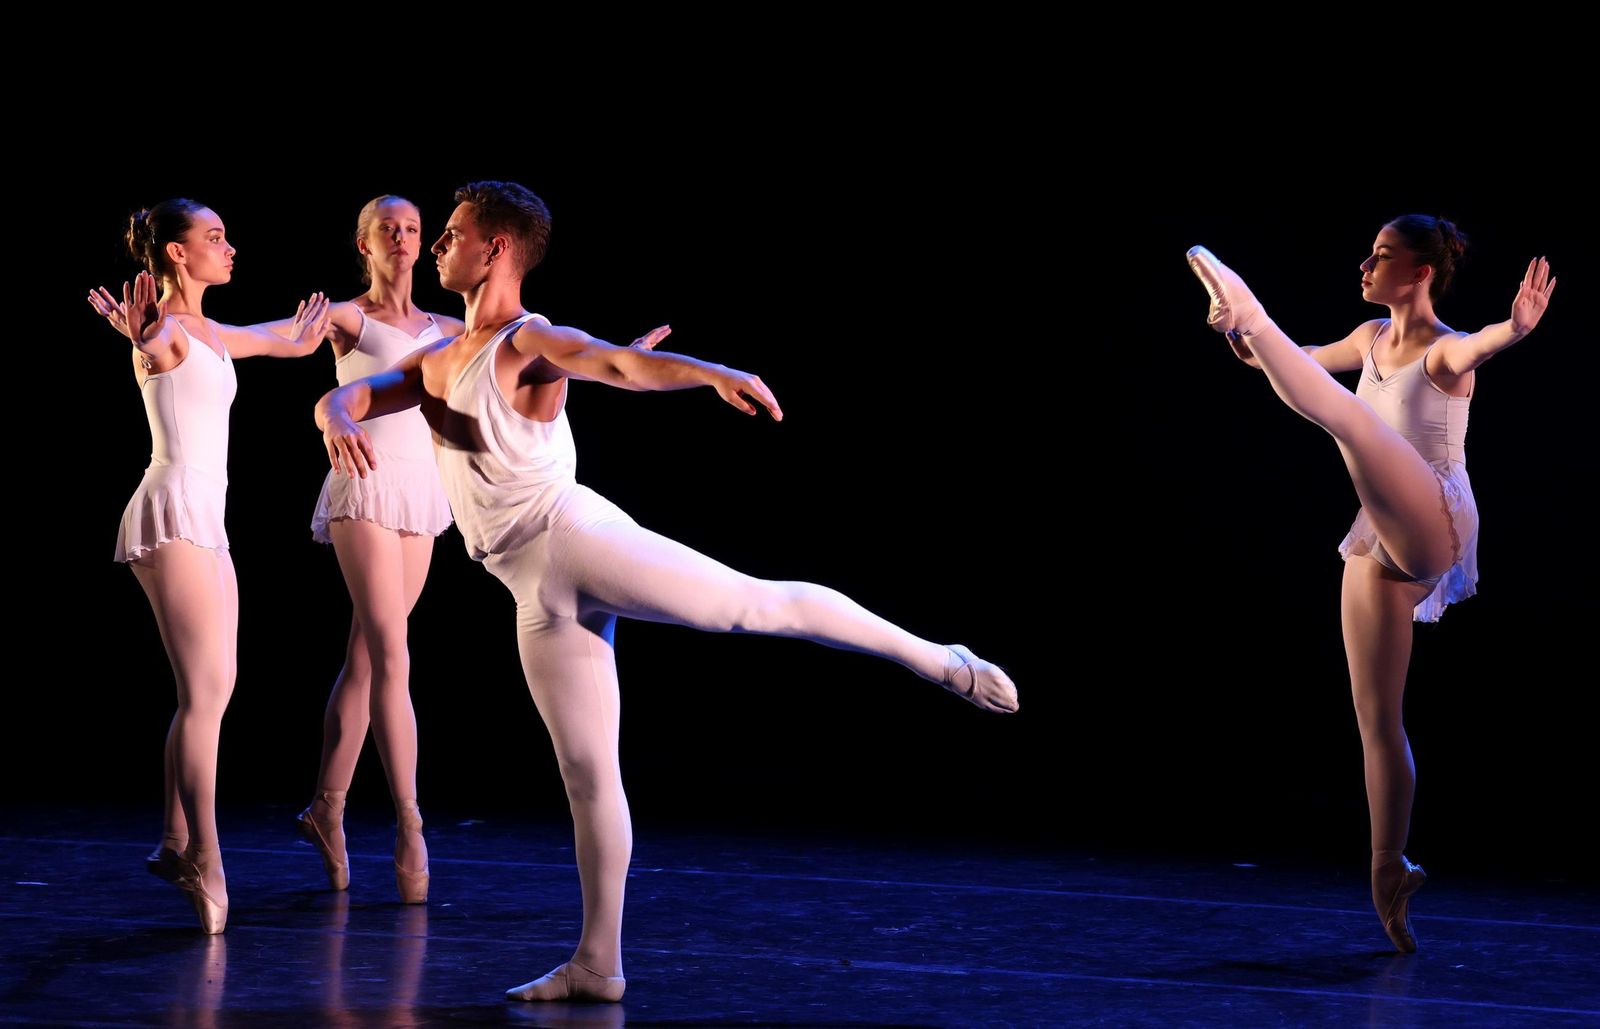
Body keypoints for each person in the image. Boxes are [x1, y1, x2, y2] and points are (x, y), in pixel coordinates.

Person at [316, 181, 1019, 1001]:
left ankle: (938, 656)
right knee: (587, 774)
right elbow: (351, 394)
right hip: (530, 588)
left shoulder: (527, 338)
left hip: (572, 539)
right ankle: (598, 963)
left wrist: (707, 371)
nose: (438, 243)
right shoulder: (438, 356)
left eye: (451, 232)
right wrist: (335, 414)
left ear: (495, 248)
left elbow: (617, 363)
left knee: (753, 605)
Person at [1185, 217, 1555, 951]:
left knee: (1351, 422)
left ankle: (1248, 308)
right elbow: (1300, 363)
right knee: (1376, 717)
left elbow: (1479, 344)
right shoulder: (1369, 337)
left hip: (1436, 517)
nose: (1364, 263)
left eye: (1382, 255)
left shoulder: (1445, 350)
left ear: (1420, 273)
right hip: (1382, 531)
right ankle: (1389, 869)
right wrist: (1245, 344)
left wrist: (1514, 329)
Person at [91, 199, 330, 933]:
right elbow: (153, 347)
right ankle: (207, 857)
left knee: (212, 690)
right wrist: (140, 337)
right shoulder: (164, 330)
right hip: (173, 513)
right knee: (205, 693)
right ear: (175, 253)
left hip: (206, 521)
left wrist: (322, 328)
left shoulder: (213, 332)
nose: (229, 248)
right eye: (214, 237)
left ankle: (174, 839)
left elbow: (287, 342)